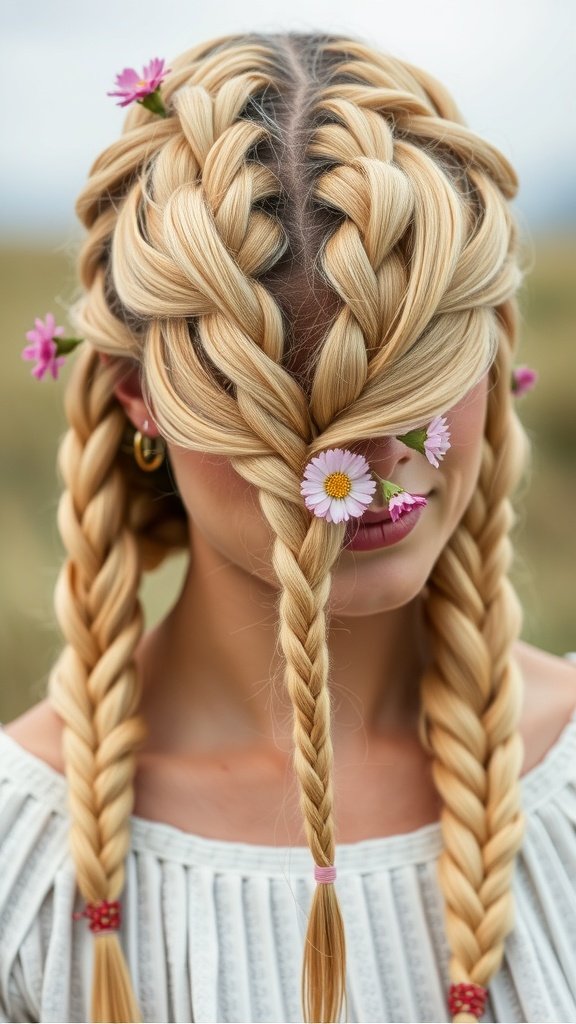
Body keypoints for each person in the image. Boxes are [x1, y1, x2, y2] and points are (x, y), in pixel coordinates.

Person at [1, 28, 575, 1024]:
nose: (376, 458)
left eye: (417, 378)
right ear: (140, 394)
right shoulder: (26, 868)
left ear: (489, 355)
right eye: (283, 401)